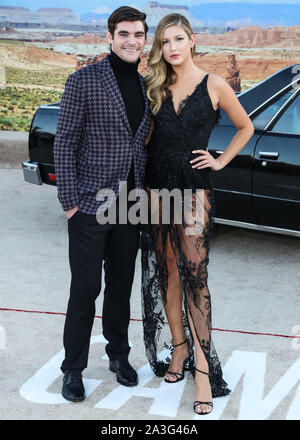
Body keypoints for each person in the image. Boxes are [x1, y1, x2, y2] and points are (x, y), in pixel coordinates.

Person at [141, 13, 254, 415]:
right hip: (156, 193)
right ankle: (178, 350)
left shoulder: (214, 84)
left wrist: (220, 162)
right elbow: (148, 139)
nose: (171, 48)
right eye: (164, 42)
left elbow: (246, 127)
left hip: (193, 195)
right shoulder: (155, 85)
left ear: (191, 41)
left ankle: (203, 370)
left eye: (178, 40)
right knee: (168, 271)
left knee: (196, 276)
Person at [53, 6, 151, 402]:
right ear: (109, 38)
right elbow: (65, 142)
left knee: (120, 288)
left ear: (145, 40)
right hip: (90, 204)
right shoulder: (84, 80)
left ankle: (119, 355)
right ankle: (72, 369)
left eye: (138, 34)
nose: (131, 41)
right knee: (85, 288)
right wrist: (70, 203)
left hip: (129, 204)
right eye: (124, 34)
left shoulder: (147, 86)